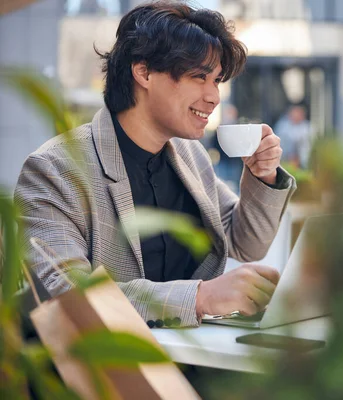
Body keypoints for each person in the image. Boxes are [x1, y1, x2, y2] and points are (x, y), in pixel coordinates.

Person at [14, 2, 296, 328]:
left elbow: (245, 243)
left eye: (216, 80)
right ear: (144, 72)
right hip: (112, 370)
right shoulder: (55, 169)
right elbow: (69, 298)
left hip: (195, 358)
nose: (214, 96)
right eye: (198, 77)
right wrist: (200, 297)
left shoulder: (190, 156)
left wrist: (263, 176)